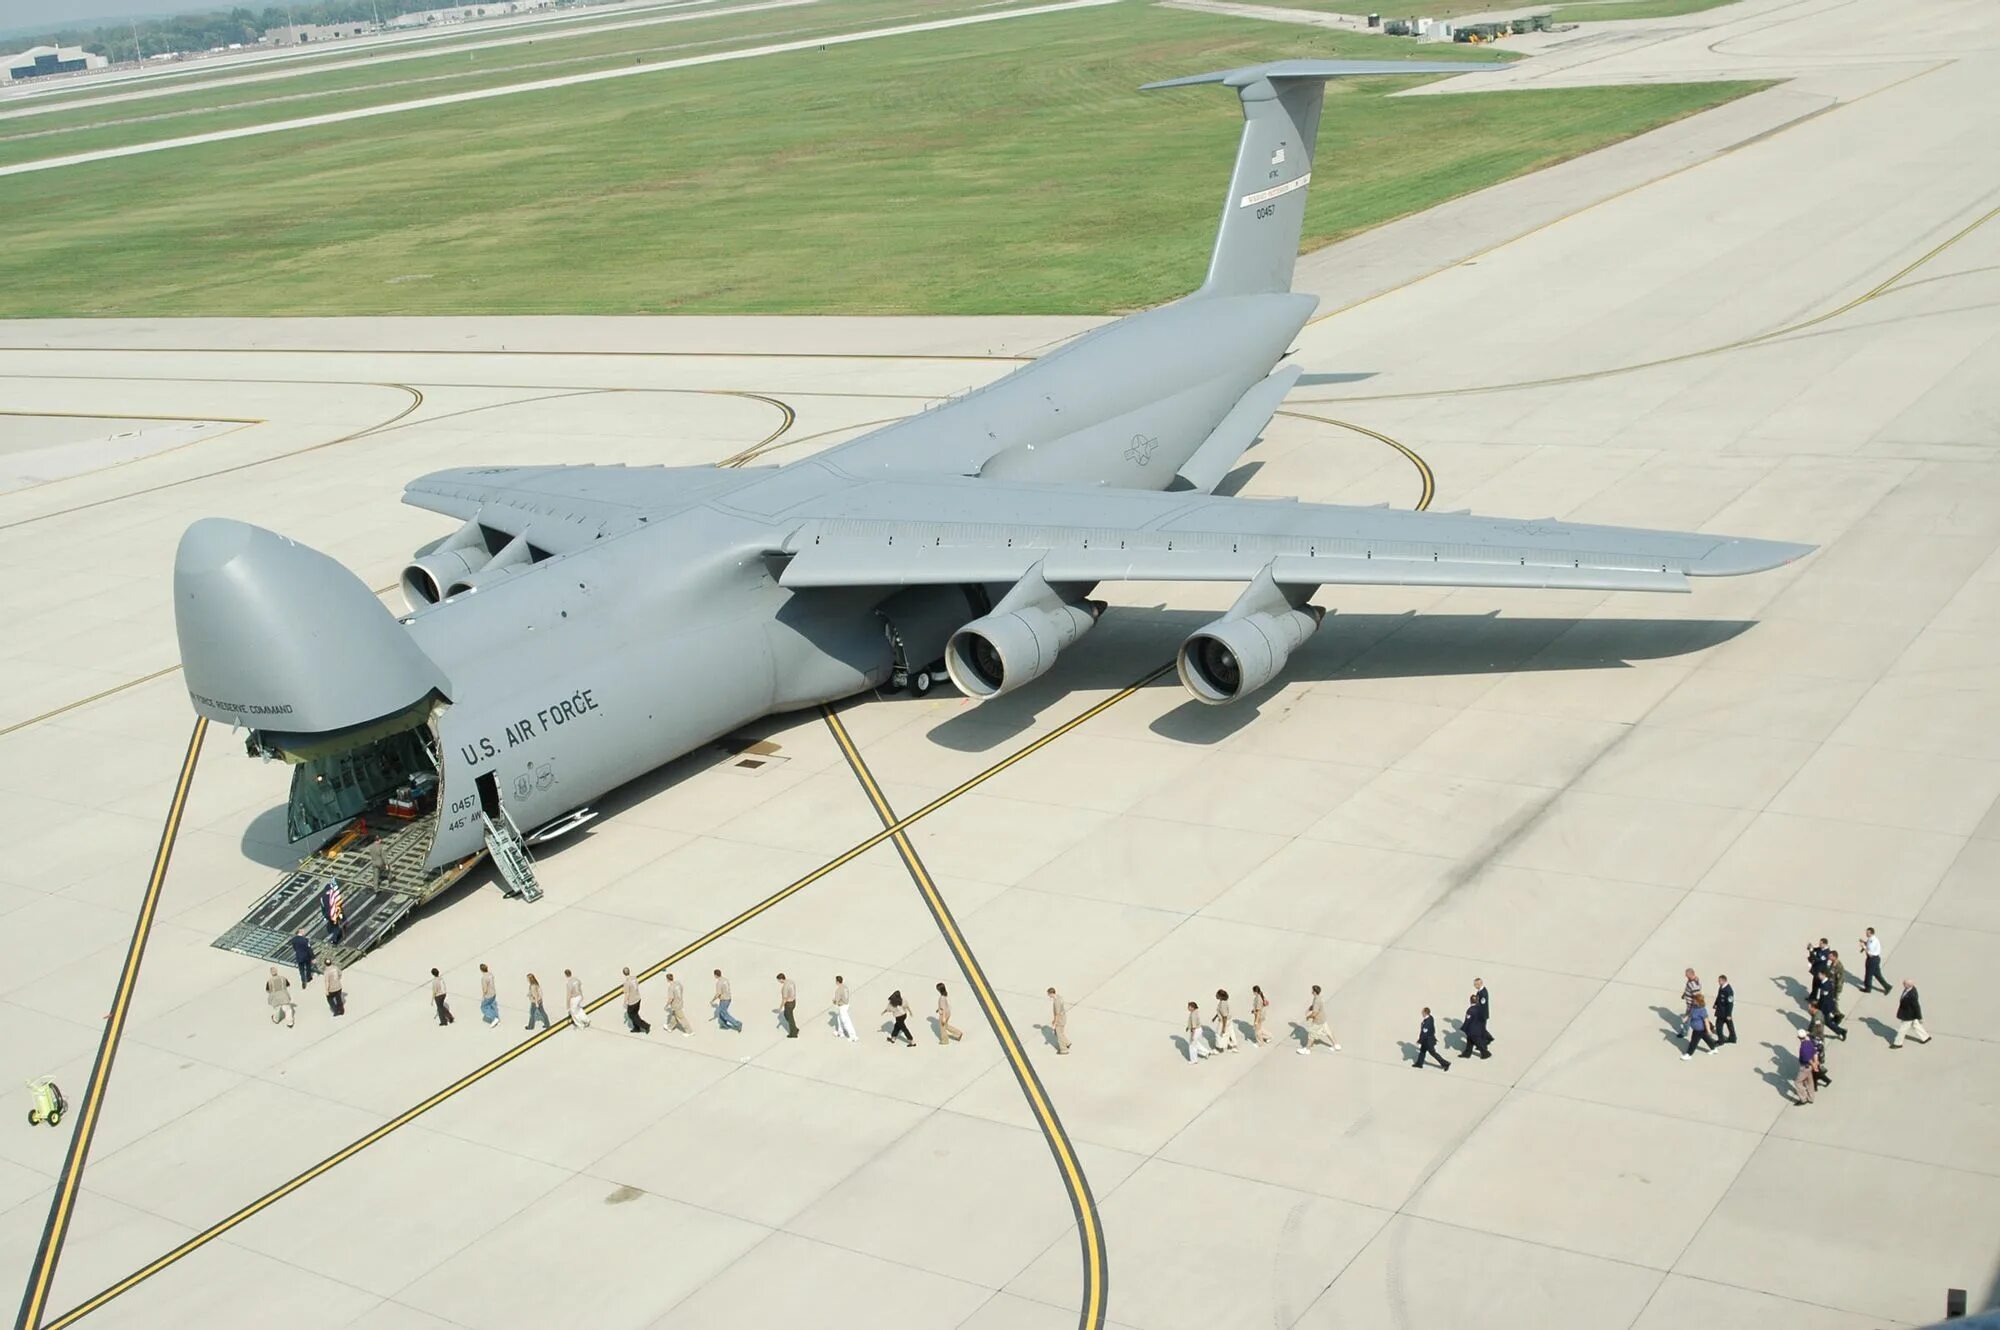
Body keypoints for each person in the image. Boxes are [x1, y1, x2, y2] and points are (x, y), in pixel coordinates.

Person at [1298, 984, 1339, 1055]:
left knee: (1311, 1034)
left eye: (1312, 990)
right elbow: (1314, 1006)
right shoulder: (1318, 997)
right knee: (1328, 1032)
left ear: (1314, 992)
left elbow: (1315, 1013)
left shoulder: (1316, 1000)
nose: (1311, 991)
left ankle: (1307, 1049)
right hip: (1323, 1019)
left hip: (1318, 1021)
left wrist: (1308, 1017)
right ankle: (1336, 1045)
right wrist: (1309, 1008)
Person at [1819, 951, 1848, 1040]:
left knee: (1827, 1020)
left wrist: (1836, 992)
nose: (1829, 957)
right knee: (1822, 1020)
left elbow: (1840, 980)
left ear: (1834, 957)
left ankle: (1839, 1022)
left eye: (1830, 956)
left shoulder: (1839, 966)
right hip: (1826, 999)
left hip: (1833, 992)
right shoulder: (1832, 964)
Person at [1893, 980, 1931, 1047]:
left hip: (1908, 1015)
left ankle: (1898, 1043)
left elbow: (1916, 1007)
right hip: (1910, 1013)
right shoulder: (1908, 989)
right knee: (1915, 1025)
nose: (1903, 984)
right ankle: (1926, 1037)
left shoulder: (1912, 995)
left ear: (1908, 985)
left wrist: (1920, 1017)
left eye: (1904, 984)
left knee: (1902, 1029)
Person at [1683, 994, 1718, 1058]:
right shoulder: (1694, 1007)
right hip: (1697, 1029)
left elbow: (1706, 1021)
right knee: (1706, 1038)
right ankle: (1714, 1048)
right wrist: (1686, 1018)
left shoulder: (1702, 1010)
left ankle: (1688, 1054)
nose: (1693, 1001)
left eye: (1695, 1000)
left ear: (1698, 1001)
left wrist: (1709, 1030)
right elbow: (1690, 1014)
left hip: (1699, 1029)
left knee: (1693, 1042)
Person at [1792, 1029, 1819, 1105]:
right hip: (1809, 1067)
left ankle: (1803, 1099)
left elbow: (1807, 1058)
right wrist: (1815, 1063)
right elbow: (1815, 1053)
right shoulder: (1809, 1043)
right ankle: (1811, 1098)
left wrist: (1814, 1065)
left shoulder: (1803, 1047)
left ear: (1798, 1037)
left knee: (1797, 1082)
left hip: (1805, 1067)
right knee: (1809, 1082)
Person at [1462, 993, 1491, 1059]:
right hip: (1478, 1028)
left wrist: (1464, 1028)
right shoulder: (1480, 1008)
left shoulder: (1470, 1010)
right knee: (1469, 1041)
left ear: (1470, 1001)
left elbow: (1467, 1021)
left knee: (1476, 1041)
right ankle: (1467, 1053)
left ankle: (1485, 1053)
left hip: (1472, 1030)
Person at [1859, 927, 1888, 994]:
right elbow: (1869, 945)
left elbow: (1870, 954)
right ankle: (1887, 987)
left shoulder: (1873, 941)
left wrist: (1863, 947)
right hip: (1875, 959)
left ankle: (1868, 988)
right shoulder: (1871, 939)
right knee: (1877, 974)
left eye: (1867, 932)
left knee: (1868, 974)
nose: (1866, 933)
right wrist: (1864, 942)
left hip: (1872, 960)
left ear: (1871, 933)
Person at [622, 967, 650, 1033]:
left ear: (623, 973)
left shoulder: (626, 983)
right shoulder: (634, 978)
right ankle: (636, 1028)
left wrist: (625, 1002)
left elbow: (627, 993)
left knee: (632, 1015)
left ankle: (646, 1025)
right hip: (638, 998)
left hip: (632, 1001)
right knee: (635, 1014)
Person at [664, 972, 693, 1037]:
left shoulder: (671, 987)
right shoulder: (678, 983)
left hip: (675, 1005)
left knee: (681, 1018)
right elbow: (682, 989)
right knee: (674, 1016)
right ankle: (669, 1027)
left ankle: (690, 1031)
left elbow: (671, 998)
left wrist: (666, 1005)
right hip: (680, 1002)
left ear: (667, 979)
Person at [832, 976, 858, 1042]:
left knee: (846, 1021)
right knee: (839, 1018)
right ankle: (840, 1033)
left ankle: (853, 1036)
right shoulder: (845, 987)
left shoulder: (838, 990)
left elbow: (836, 1001)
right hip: (847, 1005)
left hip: (842, 1006)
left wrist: (834, 1000)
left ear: (837, 982)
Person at [1713, 974, 1736, 1045]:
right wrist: (1716, 1003)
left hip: (1724, 1012)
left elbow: (1730, 1003)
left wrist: (1729, 1014)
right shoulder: (1722, 987)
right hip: (1721, 1009)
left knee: (1718, 1026)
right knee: (1730, 1025)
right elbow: (1719, 996)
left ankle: (1721, 1040)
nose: (1718, 982)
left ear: (1724, 981)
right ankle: (1733, 1038)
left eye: (1719, 981)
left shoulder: (1729, 990)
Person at [321, 878, 344, 946]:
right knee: (336, 927)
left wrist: (324, 916)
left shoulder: (322, 898)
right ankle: (333, 940)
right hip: (334, 913)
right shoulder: (333, 896)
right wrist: (340, 914)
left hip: (328, 914)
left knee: (333, 926)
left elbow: (323, 908)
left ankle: (334, 934)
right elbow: (337, 904)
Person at [1048, 987, 1070, 1054]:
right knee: (1061, 1032)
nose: (1048, 996)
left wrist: (1055, 1023)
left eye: (1049, 994)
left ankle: (1064, 1050)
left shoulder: (1056, 1002)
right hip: (1063, 1018)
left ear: (1051, 993)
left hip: (1060, 1020)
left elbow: (1057, 1014)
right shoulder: (1058, 997)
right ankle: (1067, 1043)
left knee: (1059, 1035)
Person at [777, 973, 798, 1038]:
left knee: (789, 1018)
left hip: (789, 1004)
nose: (778, 982)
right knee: (787, 1015)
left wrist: (780, 1007)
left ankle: (793, 1033)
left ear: (781, 979)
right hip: (794, 1001)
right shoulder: (791, 981)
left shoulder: (785, 987)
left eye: (778, 980)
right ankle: (794, 1028)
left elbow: (784, 999)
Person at [478, 963, 500, 1028]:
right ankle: (496, 1018)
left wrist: (483, 996)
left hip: (488, 995)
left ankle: (494, 1018)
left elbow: (485, 989)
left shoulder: (484, 978)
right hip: (493, 993)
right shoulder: (491, 975)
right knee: (491, 1006)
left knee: (483, 1007)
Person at [1473, 978, 1492, 1043]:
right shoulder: (1480, 991)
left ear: (1480, 984)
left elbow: (1482, 1005)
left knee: (1481, 1029)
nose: (1474, 986)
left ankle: (1487, 1040)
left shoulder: (1483, 993)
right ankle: (1487, 1039)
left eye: (1475, 984)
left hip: (1482, 1015)